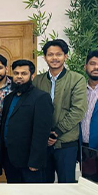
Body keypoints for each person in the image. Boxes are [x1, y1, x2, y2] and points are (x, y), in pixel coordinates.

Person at [0, 60, 53, 195]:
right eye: (16, 73)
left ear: (32, 75)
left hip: (29, 158)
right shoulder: (9, 98)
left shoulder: (41, 97)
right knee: (14, 193)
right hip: (10, 155)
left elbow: (41, 131)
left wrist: (35, 160)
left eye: (23, 74)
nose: (19, 77)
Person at [32, 39, 87, 183]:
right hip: (42, 144)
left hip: (66, 144)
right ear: (45, 57)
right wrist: (44, 135)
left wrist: (56, 132)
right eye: (50, 54)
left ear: (65, 56)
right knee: (43, 186)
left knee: (66, 185)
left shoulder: (77, 79)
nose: (54, 58)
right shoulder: (37, 80)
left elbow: (78, 110)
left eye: (59, 54)